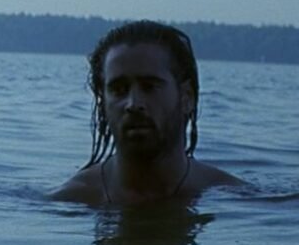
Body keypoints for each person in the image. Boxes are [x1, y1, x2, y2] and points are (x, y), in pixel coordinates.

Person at [51, 20, 243, 206]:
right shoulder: (73, 200)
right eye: (119, 89)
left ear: (187, 97)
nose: (133, 104)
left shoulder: (229, 196)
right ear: (102, 104)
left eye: (149, 87)